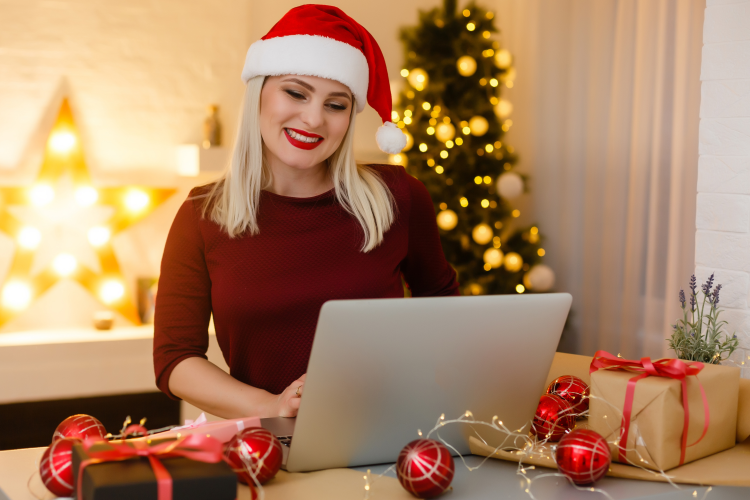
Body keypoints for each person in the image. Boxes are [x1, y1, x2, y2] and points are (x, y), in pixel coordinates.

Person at [153, 5, 459, 420]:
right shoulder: (202, 215)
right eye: (296, 93)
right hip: (270, 451)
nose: (314, 119)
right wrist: (273, 406)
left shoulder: (399, 197)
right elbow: (176, 360)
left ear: (351, 118)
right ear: (259, 92)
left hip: (390, 437)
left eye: (336, 105)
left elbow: (446, 314)